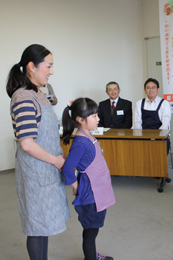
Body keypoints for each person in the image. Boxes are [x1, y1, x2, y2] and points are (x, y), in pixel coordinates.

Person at [6, 44, 70, 260]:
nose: (51, 71)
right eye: (48, 66)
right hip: (37, 172)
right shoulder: (23, 97)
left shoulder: (38, 94)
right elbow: (27, 143)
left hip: (46, 169)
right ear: (31, 66)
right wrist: (57, 161)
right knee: (36, 225)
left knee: (43, 225)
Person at [62, 97, 116, 260]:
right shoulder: (80, 141)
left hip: (97, 191)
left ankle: (92, 255)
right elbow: (67, 168)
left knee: (93, 229)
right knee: (91, 231)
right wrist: (76, 186)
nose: (98, 119)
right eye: (94, 116)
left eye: (97, 115)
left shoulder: (88, 135)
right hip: (90, 194)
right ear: (81, 120)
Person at [134, 78, 171, 153]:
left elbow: (165, 124)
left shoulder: (165, 103)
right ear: (145, 90)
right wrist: (141, 137)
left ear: (158, 89)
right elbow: (137, 122)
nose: (151, 90)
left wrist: (157, 137)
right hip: (143, 136)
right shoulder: (139, 103)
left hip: (160, 136)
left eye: (153, 87)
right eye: (148, 88)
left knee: (159, 154)